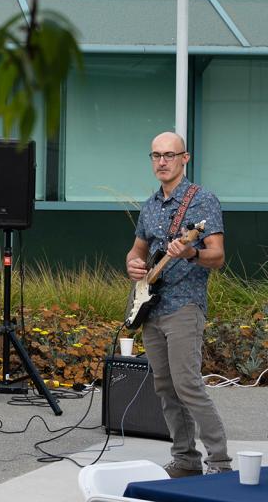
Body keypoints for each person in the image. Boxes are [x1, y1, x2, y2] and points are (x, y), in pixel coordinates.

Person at [125, 131, 231, 476]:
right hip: (151, 307)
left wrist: (191, 252)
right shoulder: (151, 205)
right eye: (156, 155)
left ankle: (219, 462)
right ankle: (185, 460)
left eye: (170, 155)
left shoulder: (202, 201)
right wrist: (134, 265)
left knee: (187, 384)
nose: (162, 162)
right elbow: (137, 251)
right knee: (165, 387)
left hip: (185, 305)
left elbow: (217, 256)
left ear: (185, 158)